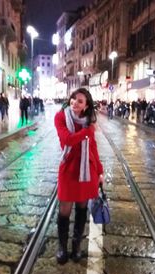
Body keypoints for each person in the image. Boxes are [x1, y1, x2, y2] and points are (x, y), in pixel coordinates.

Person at [54, 88, 104, 264]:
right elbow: (67, 139)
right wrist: (87, 132)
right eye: (73, 98)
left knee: (82, 208)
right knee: (64, 210)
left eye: (80, 101)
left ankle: (76, 246)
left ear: (86, 105)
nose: (75, 102)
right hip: (69, 168)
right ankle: (62, 246)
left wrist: (100, 170)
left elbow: (93, 147)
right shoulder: (61, 117)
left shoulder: (88, 121)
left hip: (87, 170)